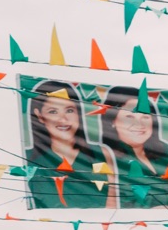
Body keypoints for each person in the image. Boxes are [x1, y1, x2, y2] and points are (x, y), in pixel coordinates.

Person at [101, 86, 168, 209]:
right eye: (129, 117)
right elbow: (103, 207)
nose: (139, 124)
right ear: (112, 120)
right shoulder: (105, 156)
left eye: (145, 116)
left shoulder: (165, 151)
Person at [23, 80, 112, 208]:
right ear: (39, 116)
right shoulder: (27, 158)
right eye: (53, 112)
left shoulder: (101, 153)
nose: (63, 119)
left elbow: (113, 202)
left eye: (69, 110)